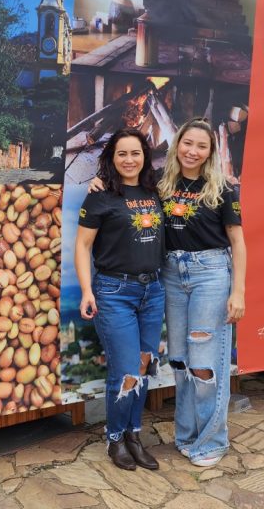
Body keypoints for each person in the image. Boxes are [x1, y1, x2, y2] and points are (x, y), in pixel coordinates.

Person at [88, 117, 247, 468]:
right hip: (171, 275)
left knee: (205, 364)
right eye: (187, 143)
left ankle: (211, 440)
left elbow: (237, 241)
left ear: (211, 151)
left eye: (201, 146)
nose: (193, 151)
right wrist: (98, 180)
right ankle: (187, 436)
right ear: (177, 146)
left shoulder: (223, 188)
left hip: (209, 274)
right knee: (180, 360)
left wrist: (238, 292)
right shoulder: (160, 183)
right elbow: (124, 184)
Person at [75, 128, 165, 472]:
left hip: (152, 291)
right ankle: (115, 439)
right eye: (122, 154)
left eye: (135, 153)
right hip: (114, 292)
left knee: (143, 366)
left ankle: (134, 436)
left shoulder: (156, 191)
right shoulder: (100, 195)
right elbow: (82, 246)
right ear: (112, 159)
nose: (129, 160)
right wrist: (87, 290)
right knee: (125, 370)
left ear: (145, 156)